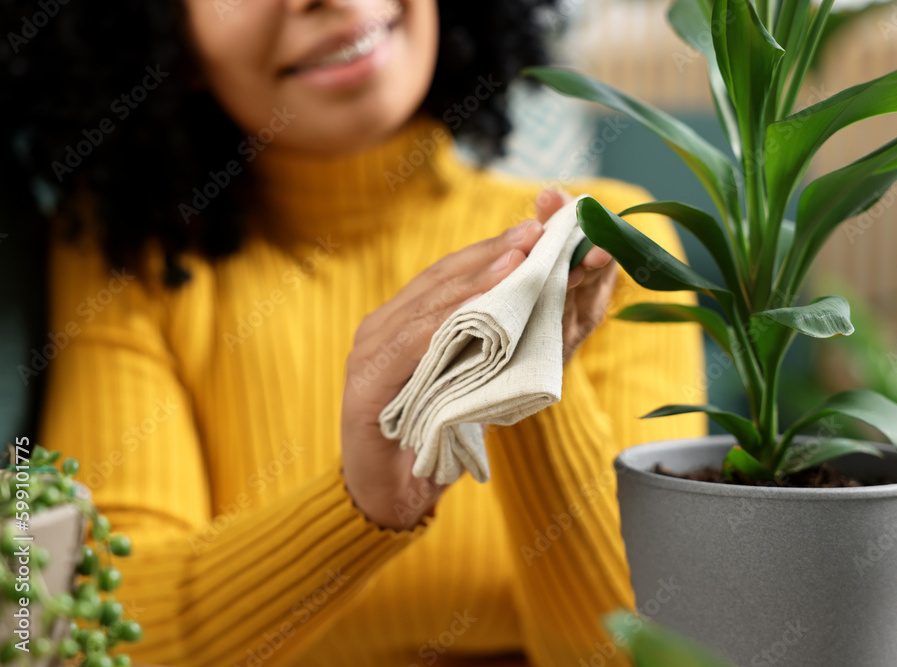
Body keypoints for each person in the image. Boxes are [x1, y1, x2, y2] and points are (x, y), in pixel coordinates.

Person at [4, 0, 706, 663]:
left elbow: (653, 650)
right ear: (161, 32)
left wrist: (526, 377)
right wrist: (359, 508)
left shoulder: (605, 242)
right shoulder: (132, 267)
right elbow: (104, 631)